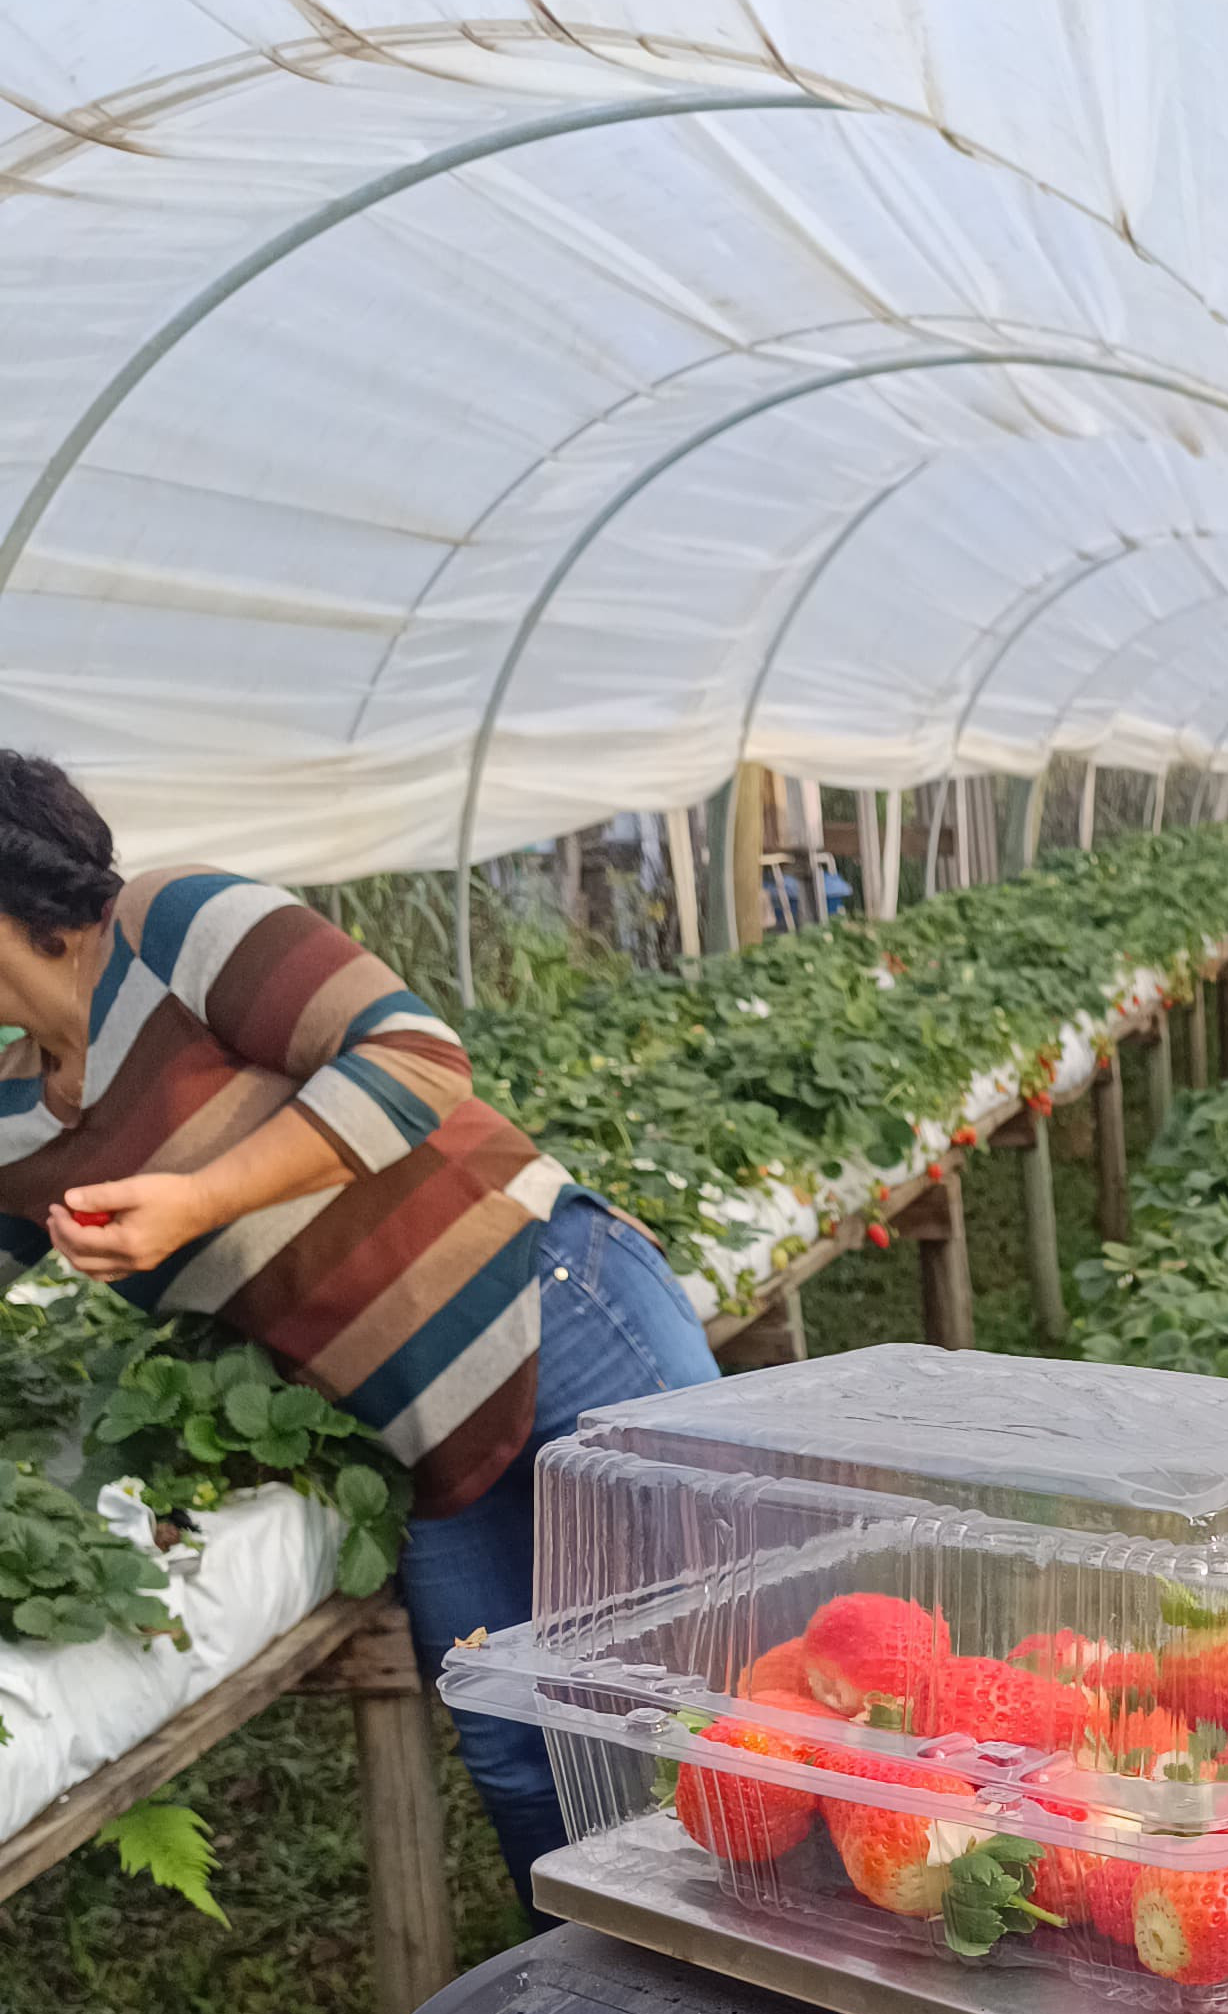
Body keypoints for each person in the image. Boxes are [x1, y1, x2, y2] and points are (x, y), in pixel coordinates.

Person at [0, 752, 717, 1907]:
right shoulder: (15, 1111)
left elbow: (413, 1055)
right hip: (413, 1435)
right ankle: (620, 2005)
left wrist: (198, 1198)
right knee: (516, 1746)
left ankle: (813, 2001)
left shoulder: (170, 925)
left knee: (711, 1678)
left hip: (553, 1306)